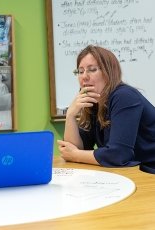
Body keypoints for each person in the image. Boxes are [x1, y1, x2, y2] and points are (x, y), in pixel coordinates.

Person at [57, 45, 155, 173]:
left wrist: (76, 155)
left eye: (92, 70)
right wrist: (70, 115)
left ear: (109, 72)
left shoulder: (124, 96)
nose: (84, 76)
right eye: (80, 71)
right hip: (133, 171)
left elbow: (118, 155)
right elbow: (75, 148)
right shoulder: (93, 100)